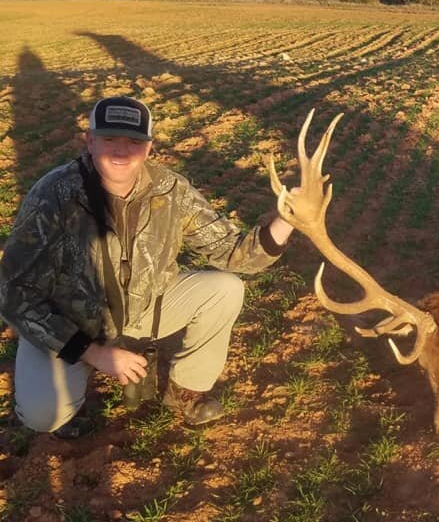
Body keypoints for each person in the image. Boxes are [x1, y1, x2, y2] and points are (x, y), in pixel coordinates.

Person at [0, 96, 296, 436]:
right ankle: (70, 402)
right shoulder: (52, 196)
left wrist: (287, 219)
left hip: (144, 307)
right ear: (90, 140)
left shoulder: (171, 190)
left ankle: (185, 390)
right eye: (110, 138)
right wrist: (92, 352)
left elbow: (232, 252)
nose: (122, 151)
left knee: (225, 288)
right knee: (43, 417)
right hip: (70, 324)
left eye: (134, 141)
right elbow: (13, 294)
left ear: (149, 147)